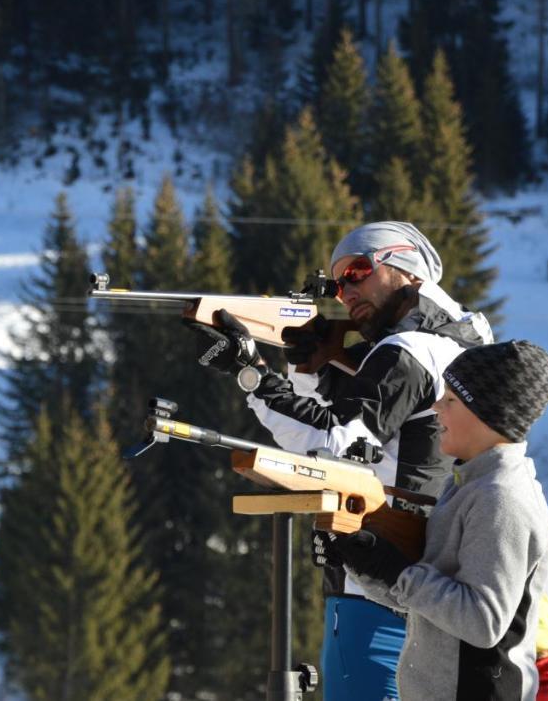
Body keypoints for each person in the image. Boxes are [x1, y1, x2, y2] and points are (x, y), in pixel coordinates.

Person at [196, 221, 493, 701]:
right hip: (427, 579)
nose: (345, 292)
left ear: (407, 268)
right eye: (337, 284)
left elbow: (334, 447)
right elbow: (358, 431)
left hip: (372, 584)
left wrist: (250, 372)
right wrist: (308, 367)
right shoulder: (456, 348)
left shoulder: (406, 353)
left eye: (358, 271)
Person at [329, 340, 548, 701]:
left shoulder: (500, 498)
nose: (436, 408)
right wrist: (362, 562)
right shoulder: (468, 485)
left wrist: (398, 573)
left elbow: (482, 621)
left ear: (489, 415)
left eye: (450, 399)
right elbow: (429, 603)